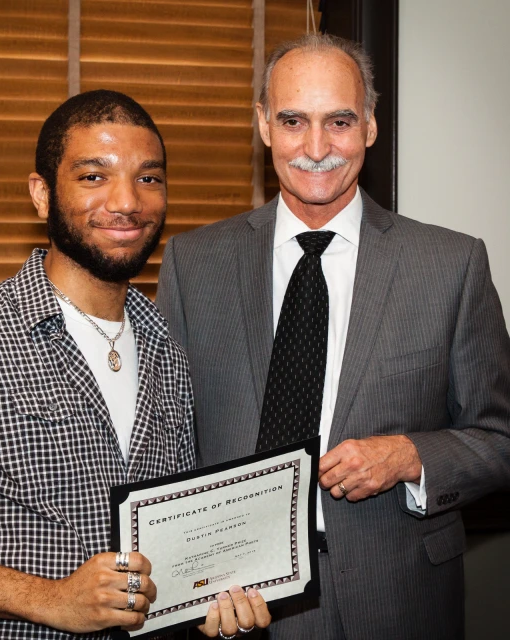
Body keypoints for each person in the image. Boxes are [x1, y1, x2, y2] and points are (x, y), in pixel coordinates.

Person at [0, 90, 270, 639]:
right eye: (93, 176)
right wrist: (51, 599)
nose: (127, 201)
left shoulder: (168, 349)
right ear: (42, 194)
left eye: (149, 178)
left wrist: (212, 600)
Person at [156, 35, 510, 640]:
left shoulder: (451, 264)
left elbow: (500, 438)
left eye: (339, 121)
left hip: (398, 597)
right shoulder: (194, 264)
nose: (316, 148)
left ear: (370, 126)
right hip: (237, 605)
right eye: (293, 120)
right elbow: (168, 440)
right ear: (264, 124)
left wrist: (411, 456)